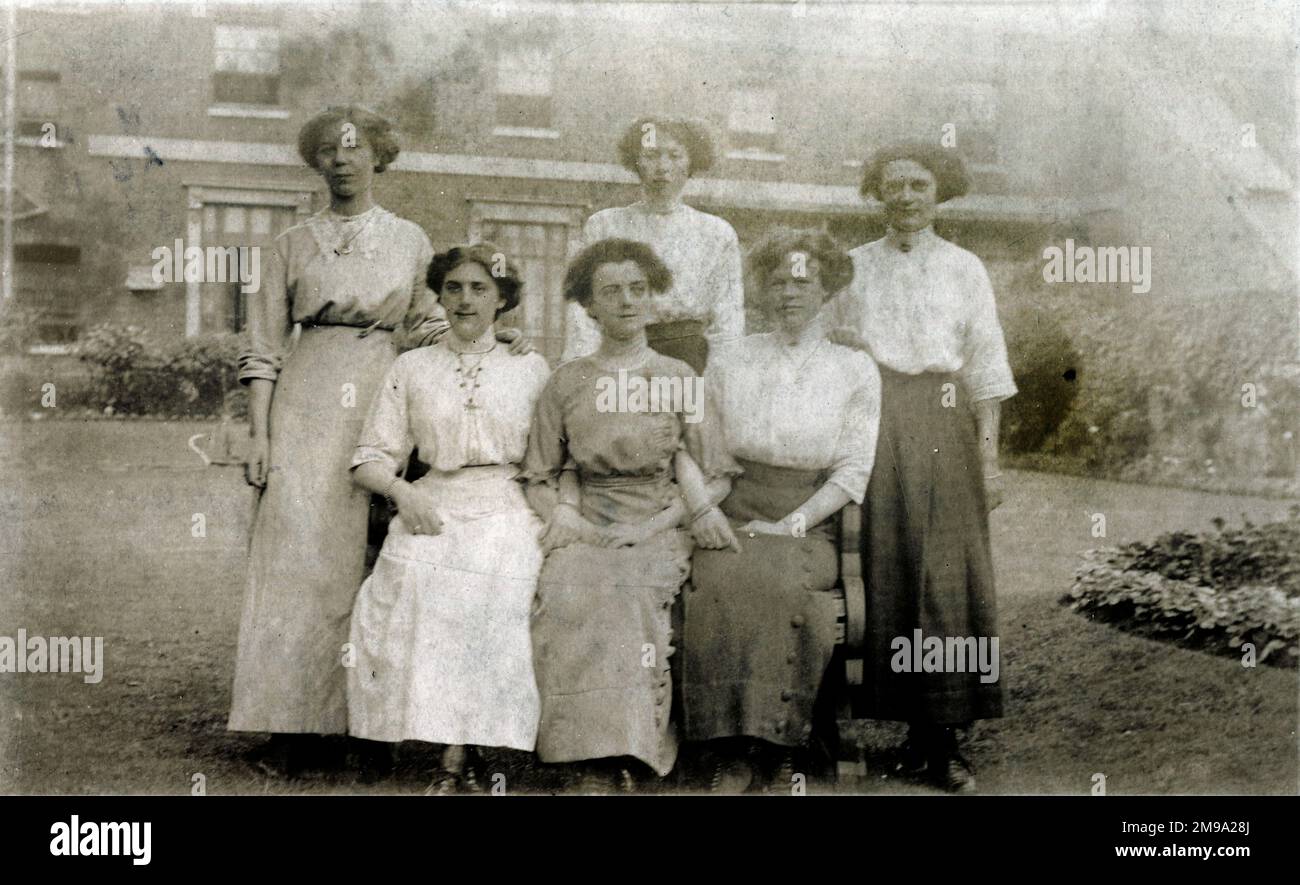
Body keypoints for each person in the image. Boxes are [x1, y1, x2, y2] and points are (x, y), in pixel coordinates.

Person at [229, 106, 524, 776]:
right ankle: (295, 725)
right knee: (299, 557)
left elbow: (436, 321)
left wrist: (498, 334)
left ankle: (372, 724)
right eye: (329, 149)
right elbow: (263, 348)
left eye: (355, 149)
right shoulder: (290, 244)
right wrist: (259, 433)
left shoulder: (410, 239)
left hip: (391, 393)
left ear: (377, 158)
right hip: (307, 401)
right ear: (317, 161)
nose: (341, 159)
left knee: (379, 557)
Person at [828, 141, 1017, 793]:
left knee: (946, 577)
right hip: (876, 415)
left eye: (918, 185)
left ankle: (944, 739)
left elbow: (987, 370)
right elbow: (829, 351)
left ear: (940, 193)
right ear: (878, 193)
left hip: (945, 419)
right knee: (882, 568)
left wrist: (989, 460)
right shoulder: (852, 267)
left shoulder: (966, 268)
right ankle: (898, 726)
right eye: (893, 185)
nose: (905, 197)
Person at [523, 237, 737, 791]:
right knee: (568, 589)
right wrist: (566, 519)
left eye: (637, 289)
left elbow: (714, 473)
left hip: (659, 521)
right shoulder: (566, 382)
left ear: (653, 299)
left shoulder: (678, 377)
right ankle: (576, 753)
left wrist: (656, 525)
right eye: (610, 291)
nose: (626, 301)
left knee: (627, 595)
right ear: (588, 306)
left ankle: (630, 750)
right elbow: (539, 475)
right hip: (586, 519)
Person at [680, 228, 881, 793]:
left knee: (781, 589)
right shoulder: (730, 357)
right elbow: (701, 448)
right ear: (761, 292)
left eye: (803, 280)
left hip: (808, 518)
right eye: (777, 281)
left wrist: (793, 522)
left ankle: (783, 747)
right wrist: (704, 511)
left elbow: (851, 472)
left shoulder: (853, 368)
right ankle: (732, 753)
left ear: (827, 289)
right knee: (719, 581)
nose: (789, 293)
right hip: (735, 502)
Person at [346, 244, 549, 794]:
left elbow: (551, 459)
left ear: (503, 299)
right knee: (411, 580)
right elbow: (368, 458)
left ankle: (467, 753)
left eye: (480, 289)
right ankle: (442, 747)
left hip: (510, 500)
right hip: (433, 500)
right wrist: (401, 492)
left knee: (497, 590)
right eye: (454, 288)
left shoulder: (530, 366)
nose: (465, 300)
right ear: (439, 295)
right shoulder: (412, 367)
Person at [560, 115, 744, 373]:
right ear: (636, 161)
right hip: (619, 354)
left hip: (688, 359)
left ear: (691, 161)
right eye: (652, 155)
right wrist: (584, 370)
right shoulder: (604, 225)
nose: (662, 166)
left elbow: (728, 320)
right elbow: (582, 309)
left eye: (674, 155)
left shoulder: (716, 232)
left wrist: (721, 381)